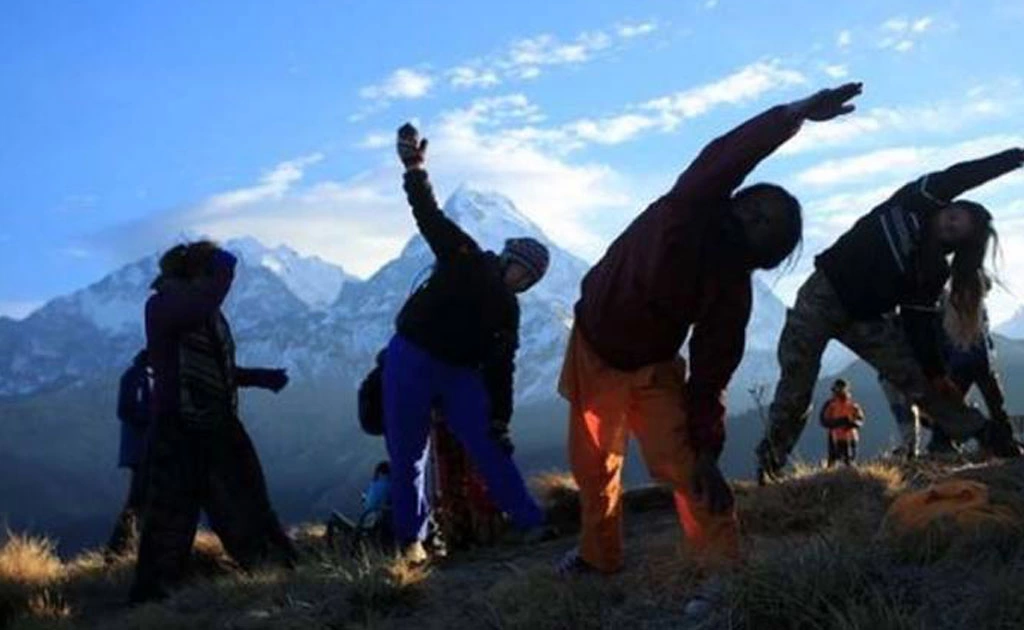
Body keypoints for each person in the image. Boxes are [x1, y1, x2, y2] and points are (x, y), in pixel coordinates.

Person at [555, 82, 864, 576]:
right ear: (736, 198)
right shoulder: (689, 207)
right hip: (593, 351)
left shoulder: (731, 291)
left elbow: (712, 372)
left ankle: (722, 570)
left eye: (769, 224)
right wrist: (793, 115)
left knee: (685, 465)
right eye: (755, 204)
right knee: (594, 468)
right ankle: (598, 557)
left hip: (653, 367)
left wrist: (709, 449)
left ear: (770, 253)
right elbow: (727, 155)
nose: (754, 215)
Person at [758, 146, 1024, 481]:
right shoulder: (917, 201)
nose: (949, 225)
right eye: (953, 216)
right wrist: (1013, 159)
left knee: (918, 381)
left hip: (866, 320)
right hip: (822, 296)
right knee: (797, 382)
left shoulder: (932, 271)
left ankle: (989, 437)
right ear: (948, 206)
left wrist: (936, 372)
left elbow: (917, 324)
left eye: (956, 231)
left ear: (957, 245)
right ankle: (771, 461)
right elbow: (961, 176)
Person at [383, 123, 552, 564]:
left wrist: (501, 418)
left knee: (488, 443)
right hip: (412, 357)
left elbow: (502, 367)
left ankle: (529, 522)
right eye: (523, 271)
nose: (523, 282)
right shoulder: (466, 255)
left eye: (530, 280)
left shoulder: (508, 312)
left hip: (457, 373)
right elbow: (429, 214)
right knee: (408, 455)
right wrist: (414, 168)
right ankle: (411, 541)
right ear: (510, 259)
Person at [130, 241, 296, 603]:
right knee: (170, 519)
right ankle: (154, 596)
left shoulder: (200, 312)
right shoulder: (163, 306)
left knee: (246, 505)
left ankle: (274, 571)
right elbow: (197, 308)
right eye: (208, 274)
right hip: (178, 430)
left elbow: (218, 370)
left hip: (217, 426)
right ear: (196, 275)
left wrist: (260, 378)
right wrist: (224, 271)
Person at [105, 349, 153, 561]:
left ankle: (125, 549)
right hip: (141, 450)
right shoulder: (136, 377)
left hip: (142, 450)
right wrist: (154, 418)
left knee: (141, 500)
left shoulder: (147, 376)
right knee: (137, 501)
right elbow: (126, 410)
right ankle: (116, 551)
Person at [820, 379, 864, 467]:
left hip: (851, 437)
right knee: (836, 460)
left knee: (850, 461)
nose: (839, 391)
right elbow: (823, 421)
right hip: (836, 436)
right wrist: (839, 422)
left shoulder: (853, 405)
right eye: (837, 389)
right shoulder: (831, 404)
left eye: (841, 388)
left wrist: (852, 423)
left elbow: (860, 420)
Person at [878, 374, 921, 460]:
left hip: (899, 376)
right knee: (902, 411)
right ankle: (910, 445)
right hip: (894, 376)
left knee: (905, 410)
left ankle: (910, 445)